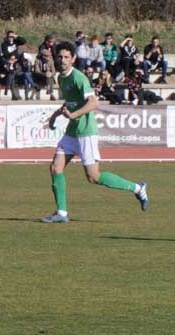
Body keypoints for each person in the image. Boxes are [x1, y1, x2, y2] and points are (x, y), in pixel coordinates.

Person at [41, 42, 148, 224]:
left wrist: (72, 115)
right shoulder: (61, 78)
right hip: (72, 132)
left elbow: (93, 103)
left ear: (73, 59)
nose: (63, 60)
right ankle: (61, 213)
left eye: (67, 57)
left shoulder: (79, 77)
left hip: (85, 132)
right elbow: (71, 101)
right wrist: (56, 115)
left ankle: (138, 188)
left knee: (94, 177)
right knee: (55, 168)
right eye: (60, 57)